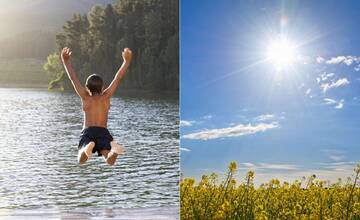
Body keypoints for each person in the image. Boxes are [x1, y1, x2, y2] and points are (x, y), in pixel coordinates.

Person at [61, 47, 133, 166]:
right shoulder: (106, 96)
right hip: (103, 132)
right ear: (102, 87)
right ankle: (113, 151)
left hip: (88, 131)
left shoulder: (85, 97)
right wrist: (126, 62)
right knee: (109, 160)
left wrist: (66, 61)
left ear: (87, 87)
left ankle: (86, 149)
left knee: (81, 159)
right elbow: (117, 78)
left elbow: (73, 78)